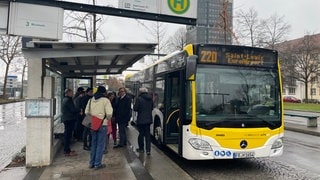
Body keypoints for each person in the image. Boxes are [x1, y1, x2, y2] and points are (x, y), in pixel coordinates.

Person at [85, 86, 113, 169]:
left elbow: (86, 112)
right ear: (104, 92)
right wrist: (104, 119)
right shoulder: (106, 100)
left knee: (93, 143)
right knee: (100, 145)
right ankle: (97, 164)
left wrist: (94, 117)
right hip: (102, 125)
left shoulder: (90, 100)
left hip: (92, 124)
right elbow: (109, 114)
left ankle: (91, 163)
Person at [133, 87, 153, 155]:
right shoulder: (150, 98)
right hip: (148, 119)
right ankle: (148, 150)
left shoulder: (139, 99)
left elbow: (135, 108)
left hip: (141, 119)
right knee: (148, 135)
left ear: (140, 92)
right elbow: (152, 107)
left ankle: (141, 149)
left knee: (141, 134)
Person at [61, 88, 79, 156]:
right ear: (68, 93)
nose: (73, 93)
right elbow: (73, 109)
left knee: (67, 135)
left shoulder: (65, 99)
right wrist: (79, 110)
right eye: (71, 92)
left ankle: (67, 150)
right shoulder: (68, 100)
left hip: (67, 119)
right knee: (68, 135)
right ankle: (67, 151)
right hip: (69, 119)